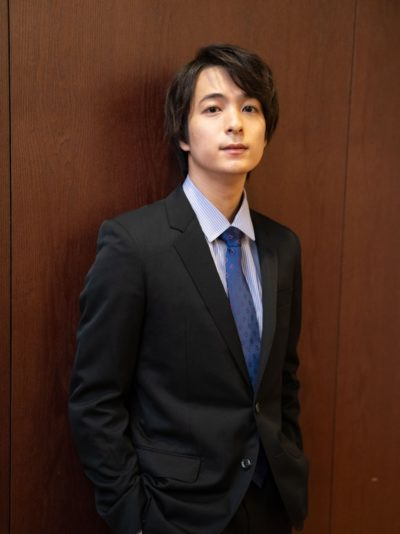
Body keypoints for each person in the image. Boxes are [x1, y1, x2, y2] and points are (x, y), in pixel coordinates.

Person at [69, 43, 308, 534]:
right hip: (175, 512)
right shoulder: (134, 244)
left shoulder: (282, 247)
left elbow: (282, 380)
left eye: (250, 108)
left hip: (270, 505)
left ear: (266, 130)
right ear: (182, 133)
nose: (235, 124)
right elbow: (95, 400)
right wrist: (135, 519)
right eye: (213, 108)